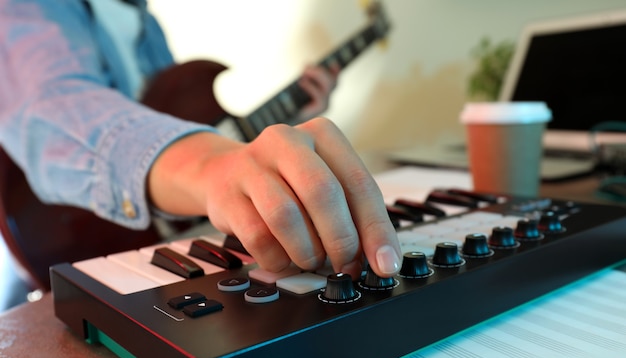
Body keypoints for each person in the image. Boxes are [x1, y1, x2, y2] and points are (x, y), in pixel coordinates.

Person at [0, 0, 401, 281]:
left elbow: (178, 121)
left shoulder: (145, 22)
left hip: (169, 237)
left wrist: (283, 128)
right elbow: (54, 109)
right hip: (70, 239)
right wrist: (212, 166)